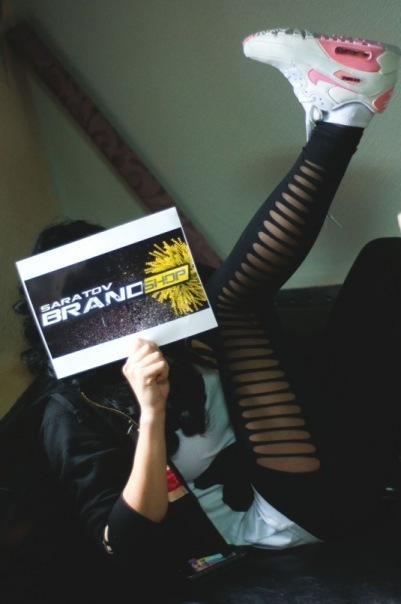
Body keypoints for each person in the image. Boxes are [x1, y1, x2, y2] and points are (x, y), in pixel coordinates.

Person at [12, 28, 401, 594]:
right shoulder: (72, 409)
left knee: (380, 263)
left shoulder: (191, 329)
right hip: (277, 526)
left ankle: (337, 115)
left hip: (348, 468)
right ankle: (343, 114)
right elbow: (125, 544)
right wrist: (150, 412)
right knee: (234, 303)